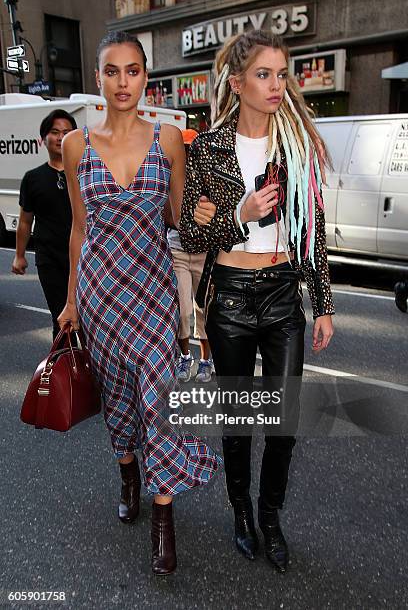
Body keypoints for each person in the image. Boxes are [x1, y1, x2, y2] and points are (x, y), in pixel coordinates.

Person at [57, 31, 220, 575]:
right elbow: (80, 230)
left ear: (145, 77)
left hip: (152, 294)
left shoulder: (169, 138)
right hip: (101, 295)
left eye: (132, 71)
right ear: (98, 79)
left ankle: (163, 518)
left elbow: (176, 216)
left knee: (159, 400)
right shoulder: (76, 145)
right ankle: (128, 471)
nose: (122, 82)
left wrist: (202, 213)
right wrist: (71, 300)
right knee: (122, 405)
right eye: (111, 71)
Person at [179, 30, 334, 573]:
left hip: (283, 295)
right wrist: (239, 214)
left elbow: (310, 231)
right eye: (264, 74)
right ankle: (241, 513)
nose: (275, 85)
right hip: (231, 300)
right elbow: (192, 237)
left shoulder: (296, 149)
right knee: (240, 422)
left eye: (281, 74)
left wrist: (324, 304)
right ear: (238, 81)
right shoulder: (209, 147)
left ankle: (271, 517)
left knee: (284, 421)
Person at [12, 110, 77, 339]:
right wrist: (19, 255)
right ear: (43, 138)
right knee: (61, 319)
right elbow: (24, 221)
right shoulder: (33, 178)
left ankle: (92, 369)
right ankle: (63, 371)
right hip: (49, 259)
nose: (60, 137)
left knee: (91, 320)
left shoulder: (84, 172)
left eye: (67, 133)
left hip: (84, 258)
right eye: (54, 132)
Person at [167, 128, 214, 383]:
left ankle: (206, 361)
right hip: (177, 250)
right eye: (183, 149)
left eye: (191, 148)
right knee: (183, 310)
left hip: (205, 252)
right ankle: (184, 357)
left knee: (204, 310)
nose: (187, 153)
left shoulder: (208, 178)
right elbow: (167, 217)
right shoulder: (170, 177)